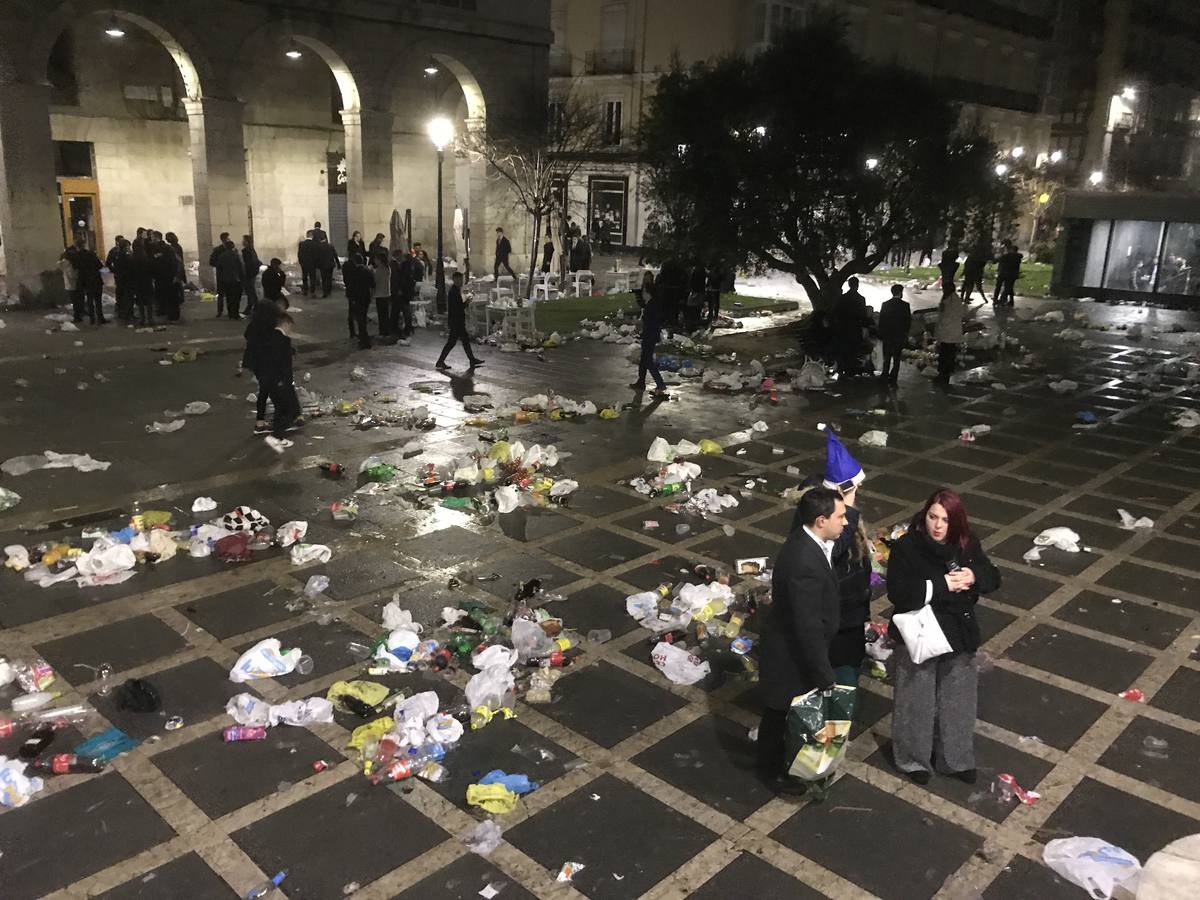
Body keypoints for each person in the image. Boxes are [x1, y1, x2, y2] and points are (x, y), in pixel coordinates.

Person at [887, 489, 1000, 784]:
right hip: (919, 634)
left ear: (957, 523)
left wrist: (972, 577)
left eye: (945, 520)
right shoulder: (907, 547)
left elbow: (992, 577)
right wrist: (942, 585)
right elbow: (900, 594)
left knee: (959, 700)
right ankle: (913, 760)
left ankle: (956, 759)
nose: (938, 526)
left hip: (958, 633)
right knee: (915, 699)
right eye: (933, 517)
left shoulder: (966, 544)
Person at [757, 487, 847, 789]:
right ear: (821, 520)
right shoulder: (804, 562)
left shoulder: (807, 539)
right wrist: (823, 673)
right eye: (841, 516)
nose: (845, 522)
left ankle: (775, 765)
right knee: (783, 713)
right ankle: (779, 773)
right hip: (791, 654)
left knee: (779, 711)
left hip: (789, 648)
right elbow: (806, 624)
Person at [260, 312, 303, 453]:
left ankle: (278, 437)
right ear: (286, 324)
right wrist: (286, 382)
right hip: (280, 381)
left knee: (280, 408)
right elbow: (284, 365)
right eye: (290, 326)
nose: (291, 330)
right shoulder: (283, 340)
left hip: (267, 379)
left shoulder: (267, 337)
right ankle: (276, 436)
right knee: (289, 410)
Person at [242, 300, 282, 434]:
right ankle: (275, 419)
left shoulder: (253, 326)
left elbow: (247, 336)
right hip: (267, 363)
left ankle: (261, 422)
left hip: (255, 363)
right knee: (269, 390)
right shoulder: (271, 327)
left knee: (265, 390)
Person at [630, 270, 669, 395]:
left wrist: (640, 326)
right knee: (644, 358)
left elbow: (648, 319)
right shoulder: (652, 303)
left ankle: (660, 384)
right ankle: (641, 382)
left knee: (647, 360)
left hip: (650, 333)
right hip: (650, 332)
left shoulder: (652, 305)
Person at [436, 270, 483, 370]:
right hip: (456, 321)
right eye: (459, 279)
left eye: (461, 279)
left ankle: (471, 359)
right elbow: (458, 306)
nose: (461, 281)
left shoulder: (456, 290)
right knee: (452, 342)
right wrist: (467, 302)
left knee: (463, 340)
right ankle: (440, 361)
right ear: (454, 280)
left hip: (457, 320)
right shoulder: (453, 291)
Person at [63, 236, 105, 325]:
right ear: (84, 244)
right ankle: (100, 318)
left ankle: (92, 319)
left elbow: (75, 267)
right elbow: (99, 265)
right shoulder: (91, 254)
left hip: (85, 281)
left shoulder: (75, 256)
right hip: (95, 279)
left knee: (89, 300)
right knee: (98, 300)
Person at [834, 277, 869, 379]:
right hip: (855, 328)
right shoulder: (861, 299)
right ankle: (850, 371)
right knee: (853, 351)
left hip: (843, 327)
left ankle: (842, 370)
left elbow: (837, 312)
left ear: (849, 285)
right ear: (857, 285)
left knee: (843, 349)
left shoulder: (842, 298)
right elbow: (863, 316)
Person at [877, 284, 912, 385]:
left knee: (886, 357)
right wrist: (905, 334)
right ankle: (893, 378)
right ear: (900, 293)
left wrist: (881, 334)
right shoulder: (905, 305)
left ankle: (884, 375)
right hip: (899, 336)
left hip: (887, 335)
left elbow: (882, 321)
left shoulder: (885, 304)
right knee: (896, 358)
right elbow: (907, 322)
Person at [934, 287, 964, 384]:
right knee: (950, 352)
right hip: (952, 333)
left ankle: (943, 371)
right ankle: (948, 370)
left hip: (947, 333)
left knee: (945, 353)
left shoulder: (949, 301)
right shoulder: (955, 300)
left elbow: (943, 315)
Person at [343, 253, 373, 348]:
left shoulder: (353, 272)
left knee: (358, 318)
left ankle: (363, 338)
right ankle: (364, 337)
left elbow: (350, 285)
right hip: (366, 297)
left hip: (356, 297)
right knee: (363, 316)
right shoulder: (368, 271)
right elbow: (373, 284)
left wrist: (351, 296)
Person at [214, 238, 245, 320]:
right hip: (236, 279)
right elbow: (241, 268)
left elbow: (219, 267)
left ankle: (231, 314)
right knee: (236, 297)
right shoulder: (236, 256)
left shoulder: (222, 256)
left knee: (229, 297)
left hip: (226, 279)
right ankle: (236, 313)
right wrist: (242, 278)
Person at [390, 248, 415, 338]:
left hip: (402, 292)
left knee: (401, 310)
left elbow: (402, 279)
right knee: (402, 310)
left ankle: (401, 328)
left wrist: (400, 289)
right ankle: (406, 328)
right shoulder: (410, 266)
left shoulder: (405, 267)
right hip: (406, 292)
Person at [208, 231, 231, 317]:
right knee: (221, 294)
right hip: (221, 274)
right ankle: (220, 311)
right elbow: (211, 262)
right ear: (224, 239)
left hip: (229, 275)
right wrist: (220, 265)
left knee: (229, 294)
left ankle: (230, 311)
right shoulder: (218, 250)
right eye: (228, 238)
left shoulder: (232, 249)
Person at [371, 251, 392, 339]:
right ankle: (386, 331)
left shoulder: (379, 270)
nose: (375, 261)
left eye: (376, 259)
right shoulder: (388, 268)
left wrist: (372, 272)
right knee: (386, 314)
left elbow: (375, 281)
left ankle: (383, 332)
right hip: (386, 293)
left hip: (380, 294)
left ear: (379, 260)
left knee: (381, 315)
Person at [994, 242, 1022, 307]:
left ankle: (999, 300)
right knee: (1010, 288)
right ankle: (1010, 301)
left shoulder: (1006, 256)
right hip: (1013, 274)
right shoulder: (1018, 256)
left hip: (1003, 273)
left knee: (999, 286)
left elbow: (995, 261)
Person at [241, 235, 262, 315]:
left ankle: (251, 307)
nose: (242, 242)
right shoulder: (251, 249)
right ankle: (254, 306)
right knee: (251, 290)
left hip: (249, 273)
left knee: (250, 291)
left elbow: (248, 264)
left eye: (244, 240)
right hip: (253, 272)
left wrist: (246, 273)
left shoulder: (246, 251)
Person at [684, 261, 707, 333]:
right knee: (696, 310)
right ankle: (694, 325)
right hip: (699, 292)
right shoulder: (702, 273)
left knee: (691, 310)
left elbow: (692, 282)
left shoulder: (695, 273)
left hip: (695, 292)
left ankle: (690, 327)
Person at [297, 231, 319, 297]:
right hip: (312, 264)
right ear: (312, 236)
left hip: (304, 264)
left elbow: (299, 255)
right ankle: (312, 291)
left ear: (307, 235)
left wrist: (301, 262)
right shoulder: (314, 244)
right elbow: (316, 255)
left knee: (304, 277)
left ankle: (305, 290)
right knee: (312, 278)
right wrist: (316, 263)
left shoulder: (301, 244)